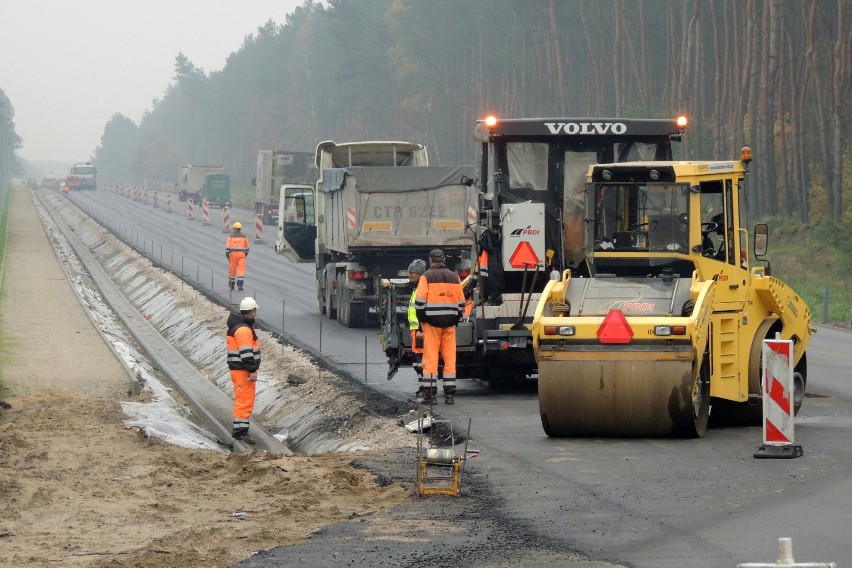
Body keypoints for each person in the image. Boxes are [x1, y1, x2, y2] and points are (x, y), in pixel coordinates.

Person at [415, 249, 465, 404]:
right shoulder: (454, 277)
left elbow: (419, 302)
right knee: (450, 358)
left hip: (432, 324)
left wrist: (422, 320)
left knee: (430, 358)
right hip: (449, 324)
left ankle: (431, 395)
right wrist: (455, 319)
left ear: (430, 261)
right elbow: (461, 303)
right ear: (444, 260)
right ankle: (449, 394)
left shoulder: (427, 277)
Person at [227, 297, 261, 444]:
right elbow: (246, 353)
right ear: (251, 312)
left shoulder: (240, 327)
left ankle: (240, 429)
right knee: (244, 401)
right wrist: (252, 370)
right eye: (255, 311)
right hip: (243, 372)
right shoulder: (243, 330)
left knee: (243, 400)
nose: (255, 314)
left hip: (240, 371)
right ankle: (240, 431)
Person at [406, 258, 427, 399]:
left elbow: (421, 309)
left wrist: (420, 328)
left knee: (420, 361)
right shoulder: (418, 286)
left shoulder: (422, 287)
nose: (409, 275)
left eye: (411, 273)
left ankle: (425, 388)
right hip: (416, 329)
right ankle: (424, 386)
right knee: (417, 361)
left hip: (420, 330)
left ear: (419, 274)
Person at [226, 222, 250, 290]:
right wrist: (245, 255)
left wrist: (227, 255)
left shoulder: (230, 236)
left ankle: (232, 285)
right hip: (241, 254)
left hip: (233, 254)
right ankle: (240, 285)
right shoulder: (244, 237)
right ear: (240, 229)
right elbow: (247, 248)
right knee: (241, 270)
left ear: (235, 228)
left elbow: (227, 247)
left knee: (232, 270)